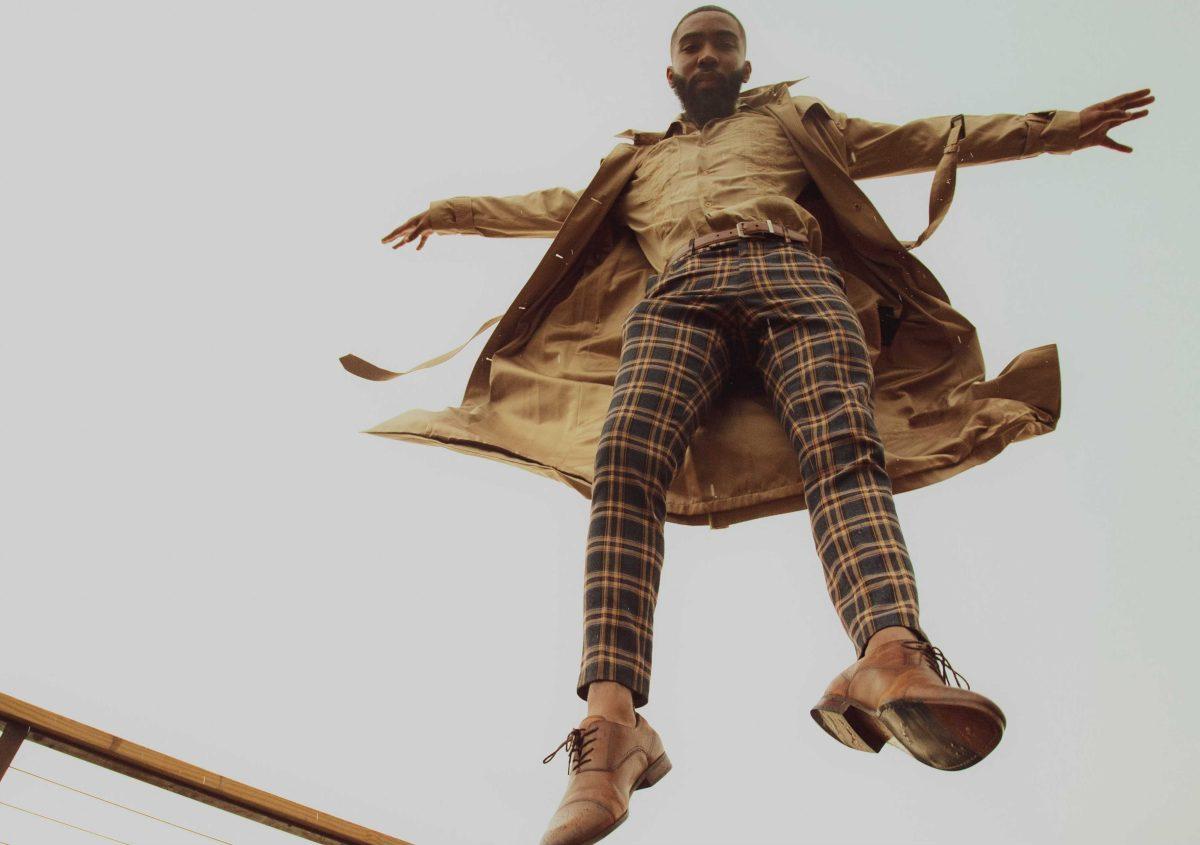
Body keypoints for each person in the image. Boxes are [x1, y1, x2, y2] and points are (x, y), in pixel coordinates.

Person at [377, 7, 1152, 844]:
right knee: (624, 461)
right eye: (691, 45)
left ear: (745, 65)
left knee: (845, 450)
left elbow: (928, 136)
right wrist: (458, 211)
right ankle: (613, 728)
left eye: (723, 44)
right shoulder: (639, 163)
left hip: (795, 275)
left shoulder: (795, 125)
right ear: (671, 70)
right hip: (681, 294)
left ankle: (890, 655)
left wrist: (1057, 130)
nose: (707, 53)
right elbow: (557, 208)